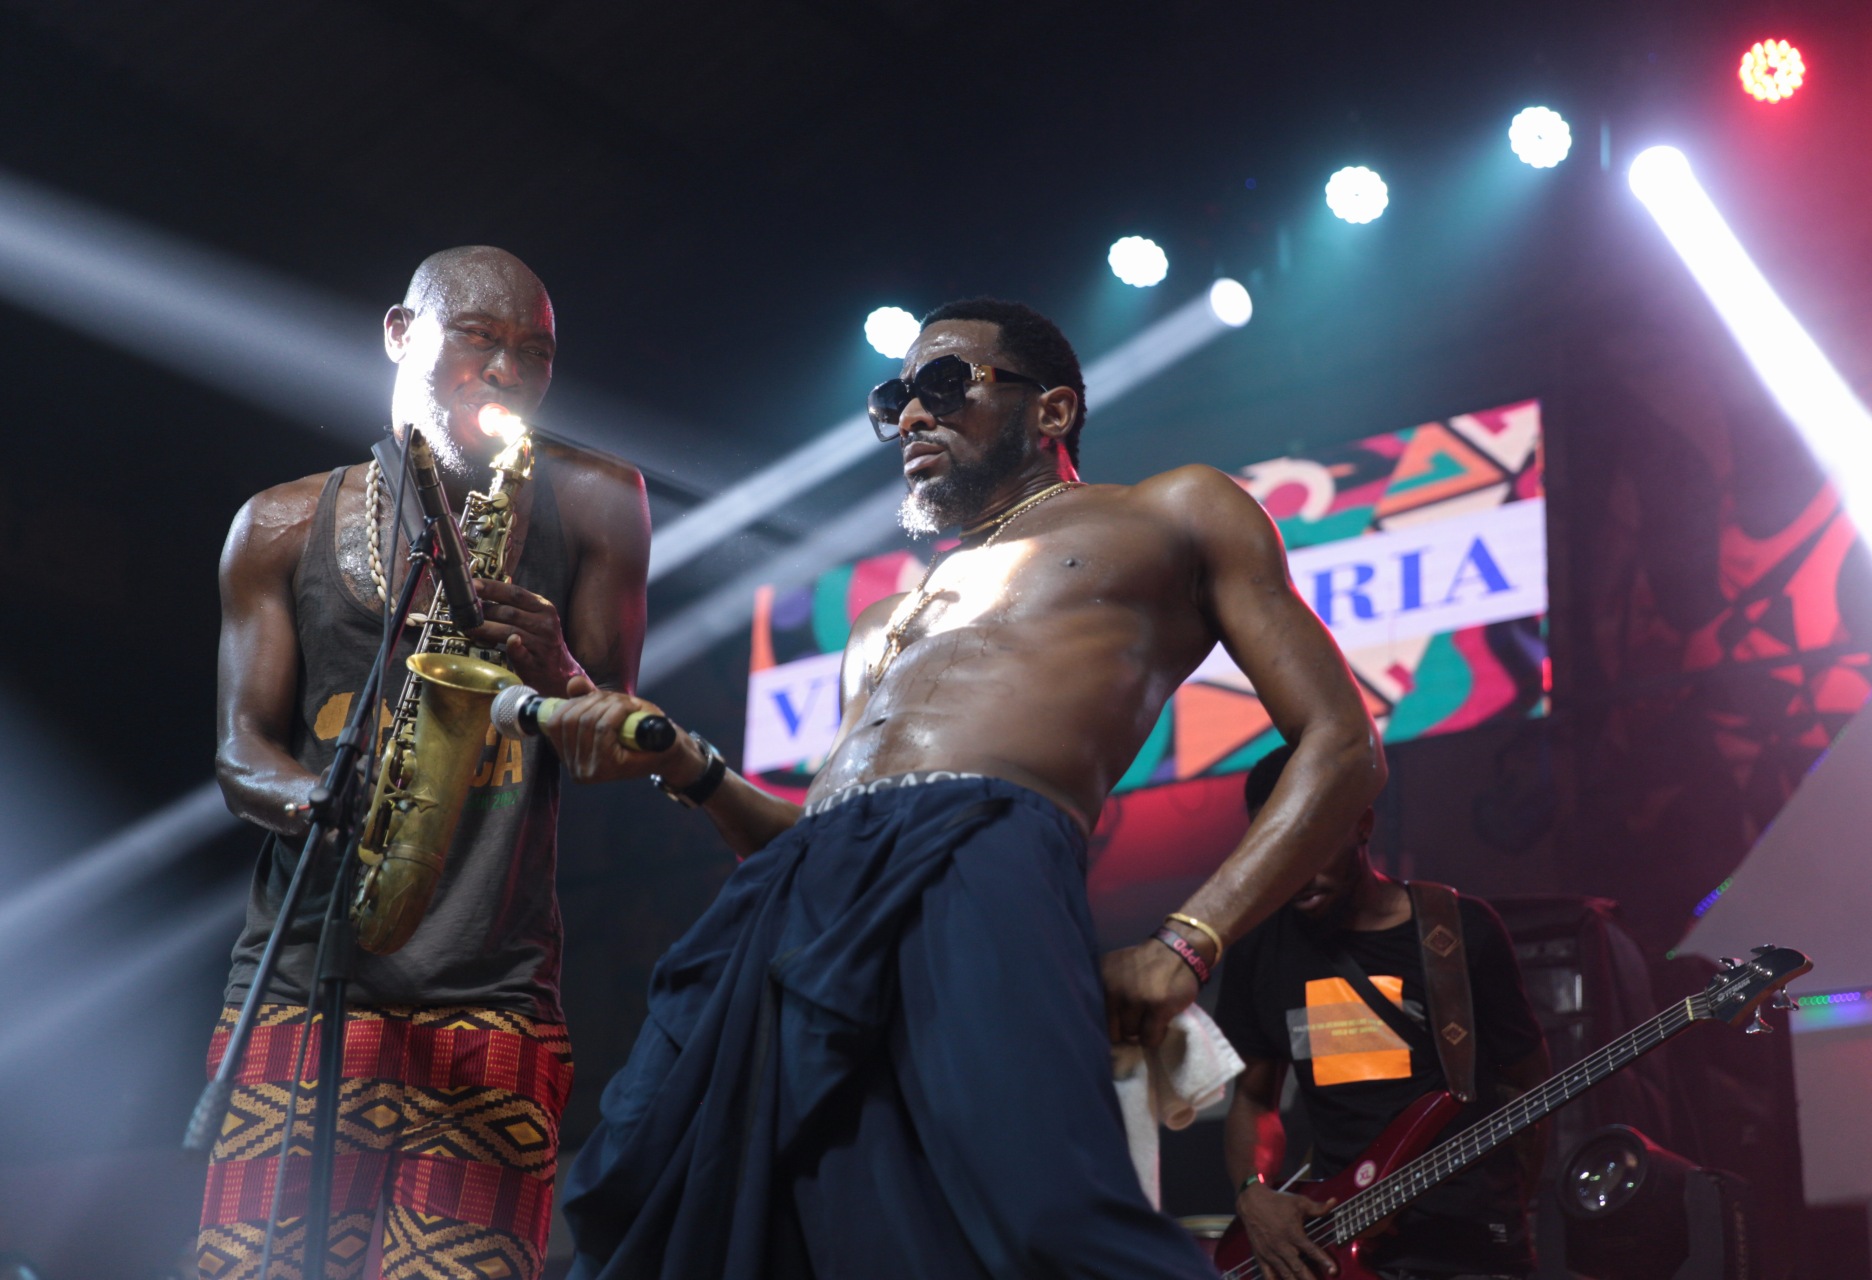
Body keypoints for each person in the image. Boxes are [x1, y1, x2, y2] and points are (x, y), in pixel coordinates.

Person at [543, 297, 1385, 1279]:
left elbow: (1343, 742)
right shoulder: (879, 622)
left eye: (943, 383)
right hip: (796, 915)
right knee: (718, 1216)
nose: (909, 415)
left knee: (1044, 1214)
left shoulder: (1173, 511)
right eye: (895, 396)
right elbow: (815, 840)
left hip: (988, 862)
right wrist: (693, 767)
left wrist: (1189, 940)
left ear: (1054, 410)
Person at [203, 246, 651, 1280]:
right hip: (305, 976)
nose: (504, 372)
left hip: (491, 987)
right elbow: (238, 753)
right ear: (402, 333)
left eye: (531, 356)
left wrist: (562, 667)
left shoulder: (596, 498)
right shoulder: (278, 522)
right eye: (480, 342)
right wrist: (325, 796)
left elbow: (616, 748)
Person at [1216, 745, 1551, 1280]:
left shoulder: (1460, 930)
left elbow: (1532, 1088)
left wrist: (1504, 1206)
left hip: (1466, 1245)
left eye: (1308, 841)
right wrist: (1254, 1196)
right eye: (1274, 849)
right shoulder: (1258, 950)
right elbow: (1254, 1101)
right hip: (1337, 1235)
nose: (1294, 871)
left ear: (1362, 826)